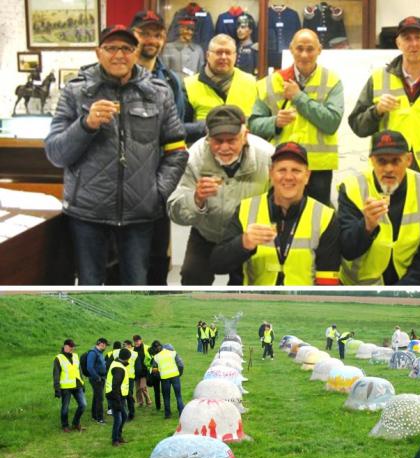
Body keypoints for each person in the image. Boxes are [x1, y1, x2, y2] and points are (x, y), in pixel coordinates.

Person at [44, 25, 188, 285]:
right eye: (111, 48)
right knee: (90, 286)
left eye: (126, 48)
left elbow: (177, 151)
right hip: (87, 214)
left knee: (135, 286)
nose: (119, 54)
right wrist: (85, 125)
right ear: (98, 52)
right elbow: (56, 153)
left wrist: (156, 193)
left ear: (135, 53)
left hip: (139, 215)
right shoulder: (76, 92)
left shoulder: (158, 92)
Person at [348, 16, 420, 189]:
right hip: (387, 169)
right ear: (398, 43)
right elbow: (358, 126)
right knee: (386, 216)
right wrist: (377, 111)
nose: (413, 44)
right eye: (407, 38)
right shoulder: (379, 78)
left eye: (418, 37)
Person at [167, 105, 274, 285]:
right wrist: (196, 199)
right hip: (207, 233)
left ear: (245, 135)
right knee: (192, 278)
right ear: (208, 138)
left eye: (231, 140)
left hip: (248, 236)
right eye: (217, 141)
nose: (224, 148)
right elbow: (174, 210)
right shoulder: (193, 157)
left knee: (248, 285)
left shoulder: (268, 156)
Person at [209, 142, 341, 285]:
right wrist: (244, 243)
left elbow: (328, 280)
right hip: (254, 302)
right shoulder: (246, 208)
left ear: (307, 176)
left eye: (296, 170)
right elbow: (217, 265)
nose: (289, 177)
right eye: (282, 170)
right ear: (271, 173)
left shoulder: (325, 216)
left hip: (302, 303)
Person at [338, 130, 420, 285]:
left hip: (409, 274)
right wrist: (366, 226)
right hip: (363, 282)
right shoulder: (352, 188)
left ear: (408, 160)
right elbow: (346, 250)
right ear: (372, 161)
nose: (389, 168)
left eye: (396, 161)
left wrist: (407, 284)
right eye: (382, 161)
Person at [250, 29, 344, 206]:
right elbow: (253, 124)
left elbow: (332, 122)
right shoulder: (269, 82)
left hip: (318, 168)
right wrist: (274, 122)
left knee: (317, 220)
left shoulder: (332, 81)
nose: (304, 54)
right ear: (291, 49)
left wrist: (298, 97)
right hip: (280, 164)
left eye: (310, 49)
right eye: (299, 48)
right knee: (280, 218)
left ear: (319, 50)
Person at [130, 9, 188, 285]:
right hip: (123, 185)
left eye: (157, 34)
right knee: (123, 258)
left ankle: (154, 312)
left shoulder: (172, 81)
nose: (151, 40)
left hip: (158, 183)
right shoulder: (116, 75)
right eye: (144, 33)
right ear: (132, 35)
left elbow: (175, 132)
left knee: (157, 254)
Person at [183, 33, 258, 143]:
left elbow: (258, 123)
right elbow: (179, 129)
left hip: (244, 154)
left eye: (228, 53)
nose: (224, 57)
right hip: (202, 154)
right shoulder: (188, 85)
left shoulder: (251, 82)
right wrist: (205, 128)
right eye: (218, 52)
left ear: (235, 56)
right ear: (207, 55)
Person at [53, 339, 86, 432]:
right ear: (65, 346)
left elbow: (79, 371)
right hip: (66, 387)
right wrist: (57, 389)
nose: (73, 349)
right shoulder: (59, 358)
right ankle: (65, 425)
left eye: (73, 347)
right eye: (71, 347)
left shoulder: (75, 356)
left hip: (77, 385)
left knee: (83, 405)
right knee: (65, 408)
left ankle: (75, 423)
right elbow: (56, 374)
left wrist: (82, 383)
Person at [160, 17, 205, 84]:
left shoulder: (198, 50)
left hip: (193, 88)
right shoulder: (168, 48)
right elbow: (164, 71)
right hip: (174, 87)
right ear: (180, 29)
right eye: (187, 29)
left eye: (192, 30)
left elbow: (201, 73)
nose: (190, 32)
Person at [150, 340, 185, 419]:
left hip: (164, 378)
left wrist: (160, 376)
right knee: (178, 395)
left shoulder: (156, 357)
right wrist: (179, 373)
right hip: (175, 376)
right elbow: (181, 364)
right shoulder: (172, 353)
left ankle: (167, 414)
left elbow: (154, 371)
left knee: (166, 397)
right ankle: (181, 412)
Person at [105, 347, 131, 446]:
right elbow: (115, 386)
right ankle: (115, 440)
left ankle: (119, 437)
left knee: (124, 416)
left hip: (119, 396)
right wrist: (117, 401)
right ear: (127, 358)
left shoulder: (117, 363)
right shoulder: (119, 368)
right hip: (114, 396)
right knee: (118, 418)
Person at [86, 337, 108, 424]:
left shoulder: (99, 352)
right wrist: (97, 377)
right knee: (99, 398)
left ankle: (94, 415)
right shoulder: (93, 353)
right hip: (96, 379)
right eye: (105, 345)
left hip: (101, 378)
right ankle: (100, 418)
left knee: (96, 397)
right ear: (101, 344)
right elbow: (89, 367)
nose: (106, 347)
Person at [132, 335, 153, 407]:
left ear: (141, 340)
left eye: (137, 341)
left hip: (144, 372)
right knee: (137, 389)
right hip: (136, 372)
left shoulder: (146, 348)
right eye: (135, 341)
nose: (136, 343)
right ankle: (140, 402)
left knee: (143, 387)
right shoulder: (132, 349)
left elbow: (151, 357)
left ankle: (148, 401)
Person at [122, 340, 138, 421]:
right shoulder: (134, 353)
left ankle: (131, 414)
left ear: (129, 345)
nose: (123, 346)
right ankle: (129, 412)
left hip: (129, 376)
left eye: (124, 345)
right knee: (127, 395)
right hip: (126, 376)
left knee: (128, 395)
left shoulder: (133, 353)